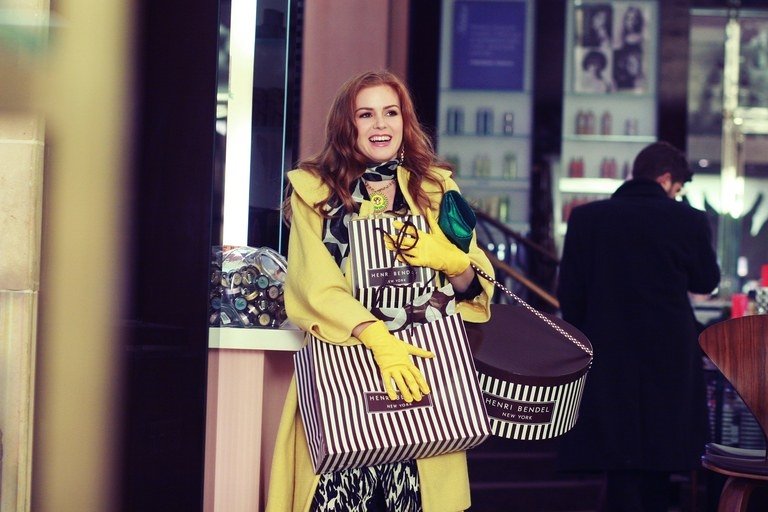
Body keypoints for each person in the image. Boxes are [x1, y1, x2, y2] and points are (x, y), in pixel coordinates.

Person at [265, 70, 495, 512]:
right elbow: (313, 284)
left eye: (391, 113)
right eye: (365, 115)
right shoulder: (315, 193)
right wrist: (376, 337)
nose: (380, 125)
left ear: (405, 122)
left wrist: (452, 261)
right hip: (345, 377)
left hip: (423, 379)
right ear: (346, 124)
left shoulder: (437, 190)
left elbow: (473, 287)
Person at [556, 141, 721, 512]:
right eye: (677, 189)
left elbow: (570, 293)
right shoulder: (689, 219)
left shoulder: (587, 218)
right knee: (661, 454)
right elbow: (706, 280)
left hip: (607, 352)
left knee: (617, 457)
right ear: (666, 179)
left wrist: (590, 333)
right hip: (669, 354)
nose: (676, 196)